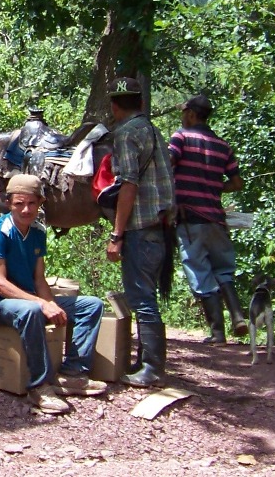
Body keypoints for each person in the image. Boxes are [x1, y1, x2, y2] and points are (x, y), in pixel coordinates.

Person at [0, 174, 106, 415]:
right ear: (8, 203)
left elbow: (39, 279)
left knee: (92, 305)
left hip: (28, 299)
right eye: (19, 204)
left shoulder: (37, 231)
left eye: (32, 204)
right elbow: (0, 284)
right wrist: (42, 304)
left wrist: (51, 303)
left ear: (40, 203)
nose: (26, 210)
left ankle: (73, 373)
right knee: (34, 310)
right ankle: (40, 385)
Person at [105, 76, 175, 387]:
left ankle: (153, 368)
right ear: (142, 103)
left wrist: (116, 235)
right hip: (160, 225)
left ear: (115, 105)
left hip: (139, 227)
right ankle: (147, 359)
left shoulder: (125, 134)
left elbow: (128, 184)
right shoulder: (152, 130)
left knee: (141, 296)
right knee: (146, 294)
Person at [168, 93, 247, 345]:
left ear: (191, 114)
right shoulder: (223, 146)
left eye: (183, 112)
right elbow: (236, 183)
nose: (182, 116)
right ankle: (238, 316)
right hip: (216, 219)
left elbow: (167, 165)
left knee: (199, 271)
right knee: (224, 269)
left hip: (191, 218)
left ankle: (217, 332)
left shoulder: (181, 137)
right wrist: (213, 186)